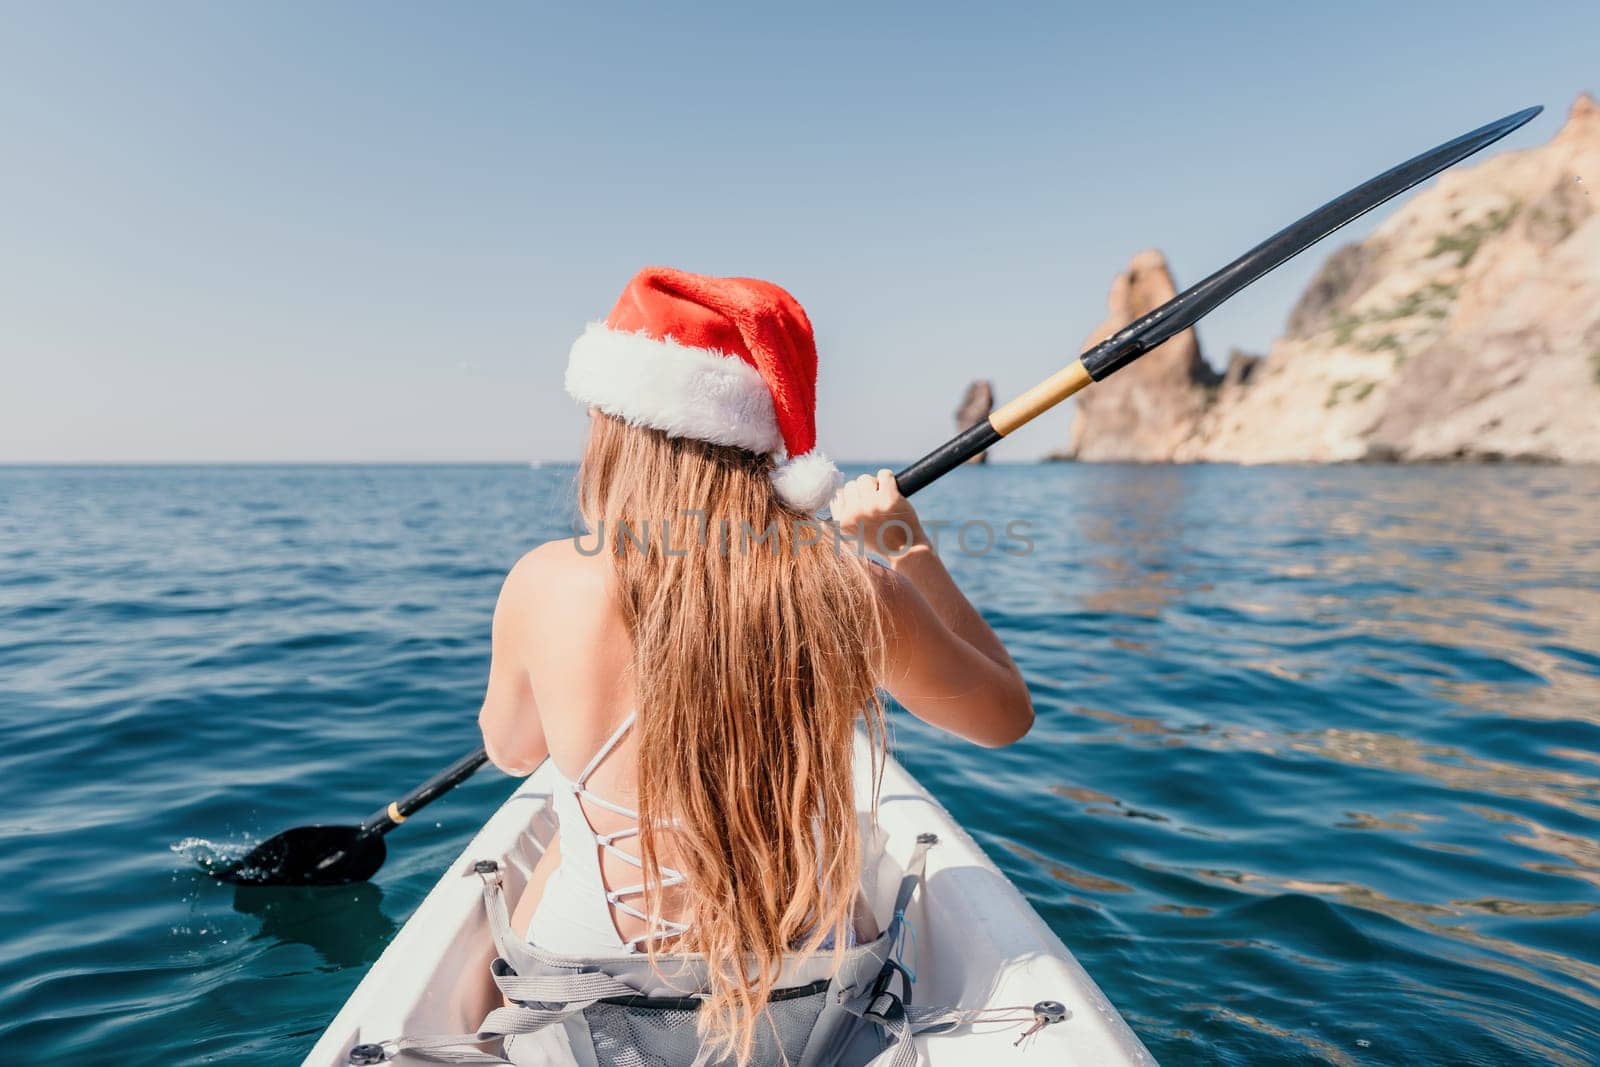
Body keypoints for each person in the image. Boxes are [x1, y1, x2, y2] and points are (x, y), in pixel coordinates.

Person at [477, 266, 1033, 1064]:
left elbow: (512, 751)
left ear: (618, 428)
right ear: (766, 448)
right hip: (806, 993)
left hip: (586, 992)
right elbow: (1005, 715)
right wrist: (905, 548)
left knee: (563, 838)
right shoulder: (848, 590)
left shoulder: (545, 581)